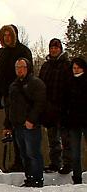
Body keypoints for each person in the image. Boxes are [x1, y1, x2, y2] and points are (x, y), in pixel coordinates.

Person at [0, 24, 33, 172]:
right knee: (11, 127)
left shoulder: (23, 51)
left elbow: (29, 74)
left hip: (21, 95)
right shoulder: (2, 52)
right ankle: (18, 161)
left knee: (23, 128)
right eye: (5, 35)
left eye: (9, 35)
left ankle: (25, 161)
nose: (7, 38)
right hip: (7, 95)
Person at [3, 58, 46, 187]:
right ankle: (29, 178)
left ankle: (37, 179)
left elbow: (40, 104)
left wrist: (31, 120)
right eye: (17, 67)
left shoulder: (36, 84)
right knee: (24, 154)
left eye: (22, 67)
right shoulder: (13, 86)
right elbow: (9, 107)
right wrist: (7, 125)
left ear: (27, 68)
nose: (19, 70)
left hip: (31, 125)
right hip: (17, 125)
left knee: (33, 153)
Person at [38, 38, 72, 173]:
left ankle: (68, 163)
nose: (53, 50)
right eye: (52, 47)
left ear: (60, 49)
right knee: (53, 139)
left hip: (63, 107)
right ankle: (55, 163)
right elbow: (40, 85)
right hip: (49, 107)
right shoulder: (45, 66)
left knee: (66, 138)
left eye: (56, 48)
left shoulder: (67, 65)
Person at [60, 57, 87, 184]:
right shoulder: (68, 82)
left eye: (78, 68)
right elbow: (64, 104)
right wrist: (65, 120)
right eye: (74, 68)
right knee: (75, 154)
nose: (76, 70)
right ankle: (77, 178)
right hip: (73, 123)